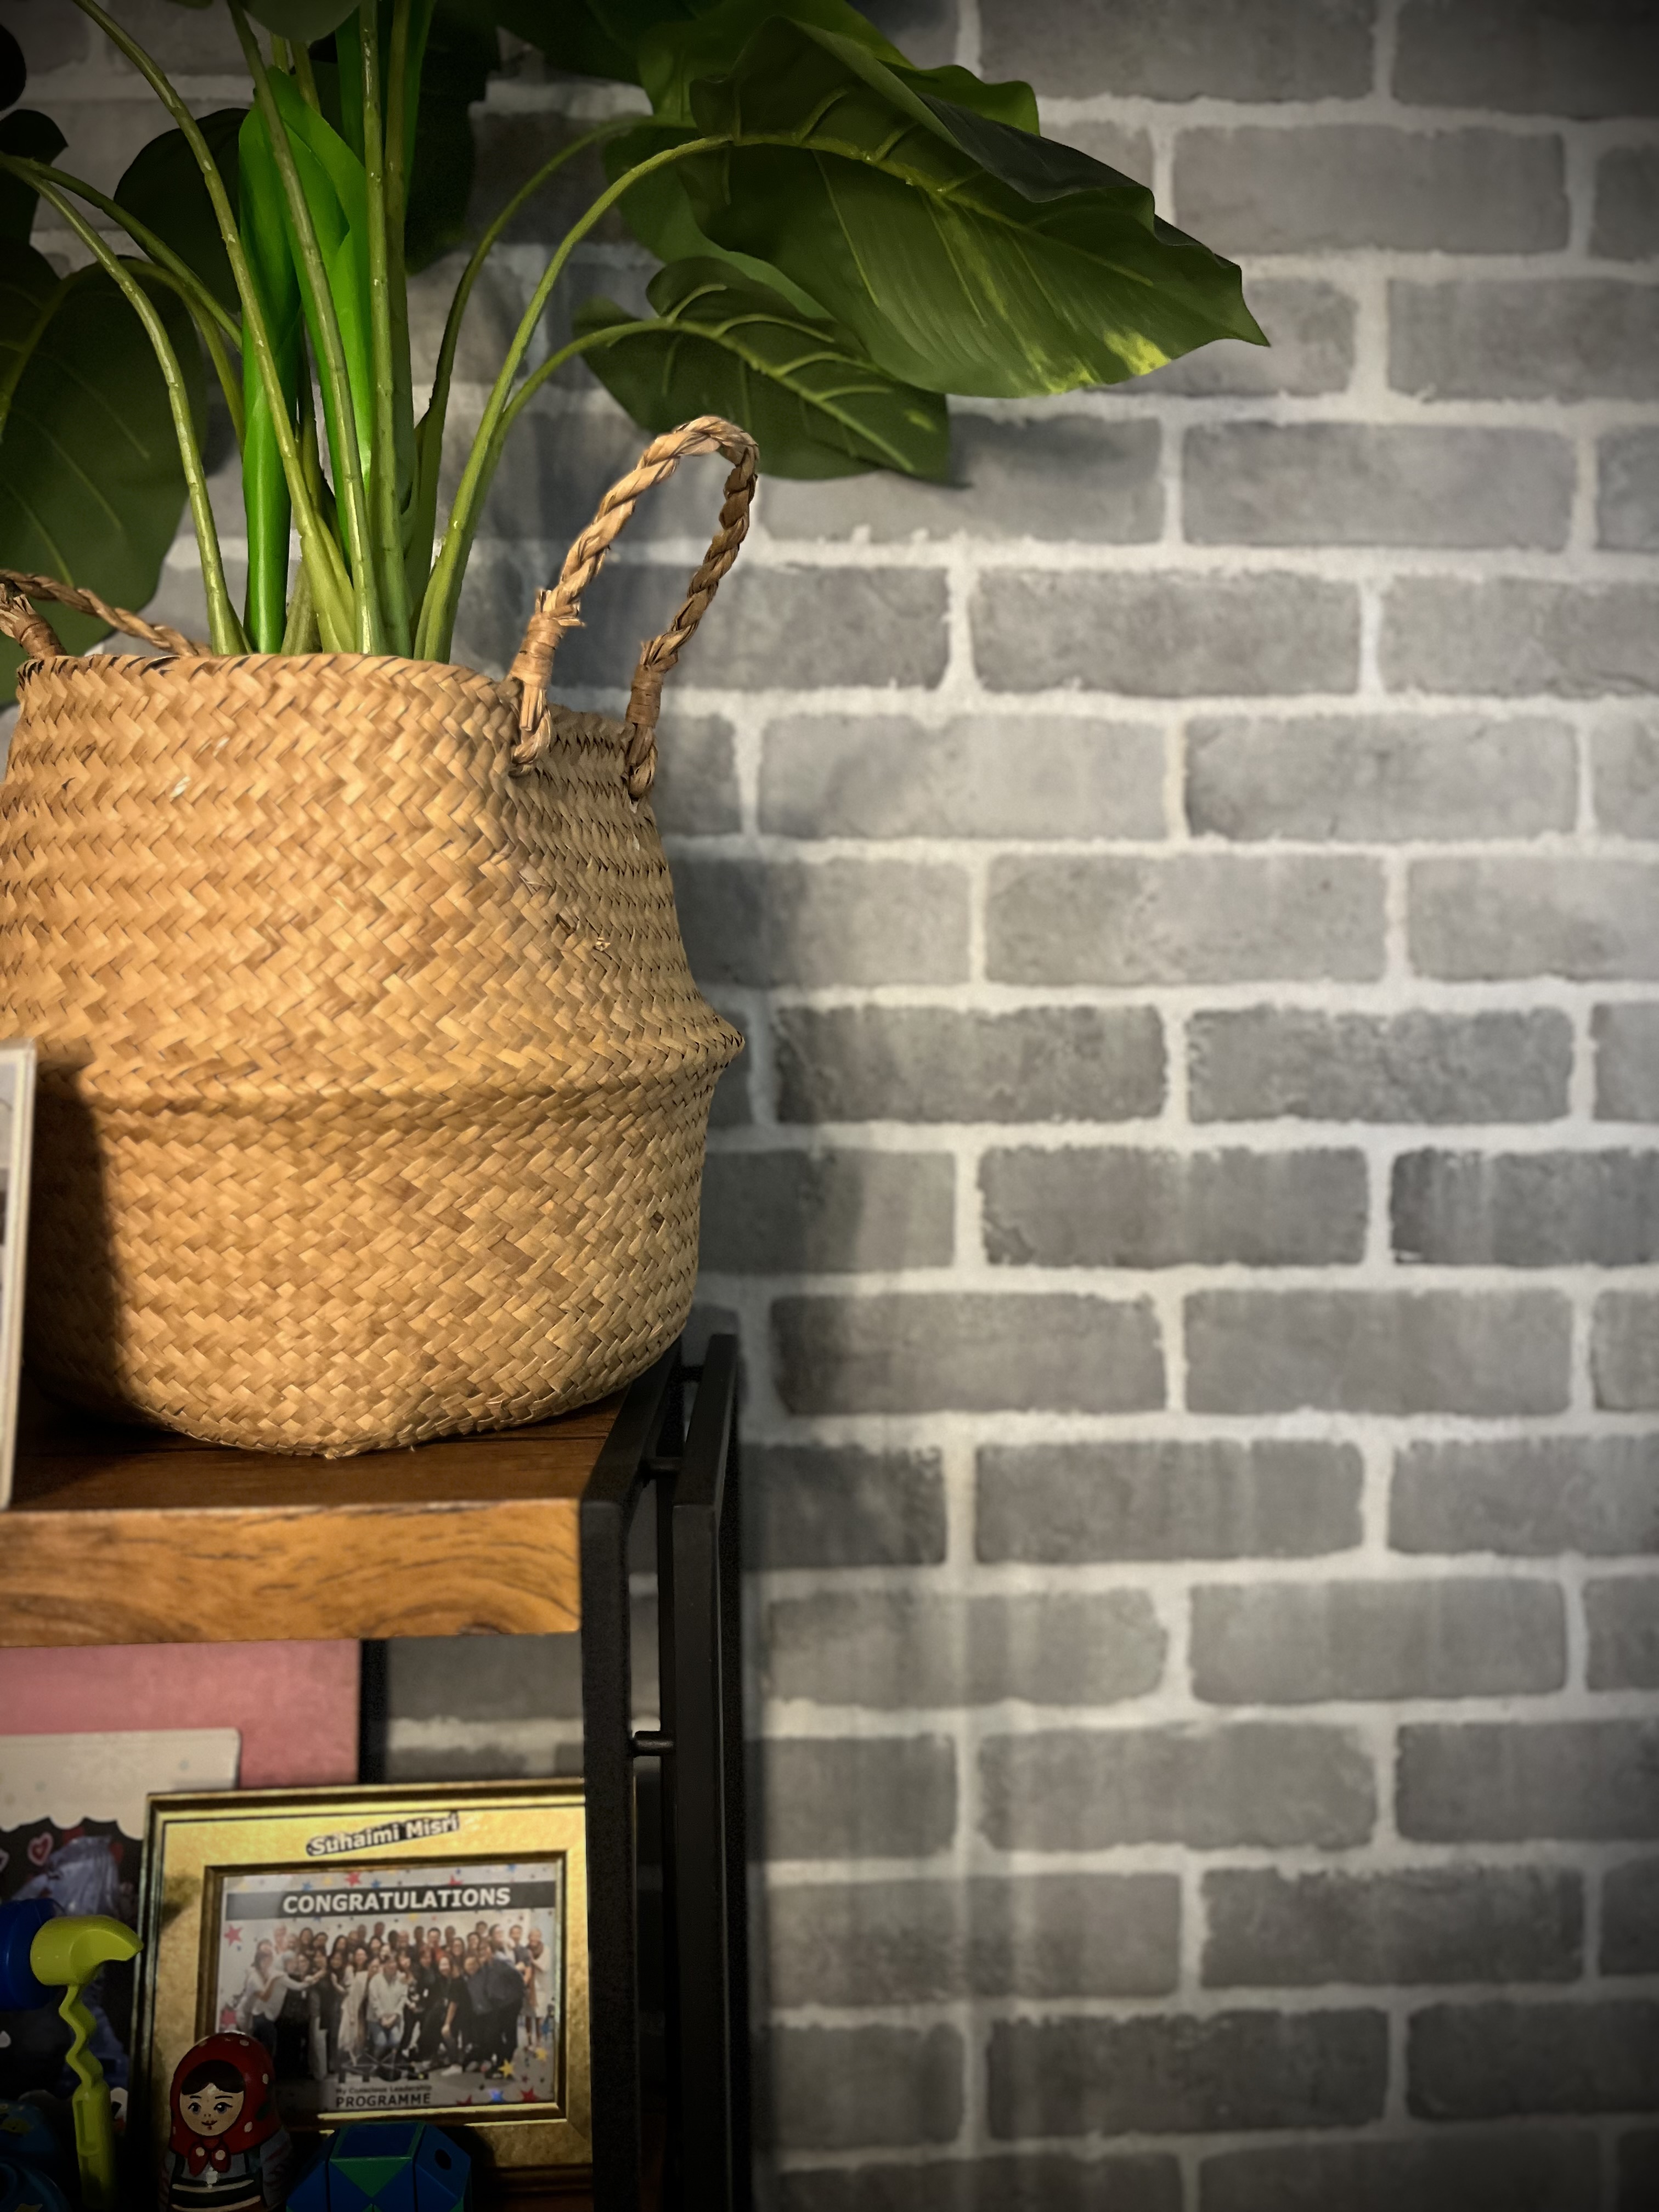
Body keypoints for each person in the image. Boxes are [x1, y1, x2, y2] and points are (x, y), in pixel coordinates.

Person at [164, 2032, 291, 2211]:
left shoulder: (263, 2153)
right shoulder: (179, 2157)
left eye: (222, 2107)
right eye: (195, 2108)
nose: (207, 2118)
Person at [365, 1954, 408, 2075]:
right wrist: (382, 2018)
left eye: (394, 1962)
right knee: (381, 2043)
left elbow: (403, 1999)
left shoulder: (402, 1978)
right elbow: (374, 2000)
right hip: (376, 2019)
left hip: (395, 2018)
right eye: (389, 1963)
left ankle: (390, 2066)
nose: (392, 1965)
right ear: (383, 1965)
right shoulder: (376, 1980)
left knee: (395, 2041)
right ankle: (375, 2063)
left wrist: (394, 2017)